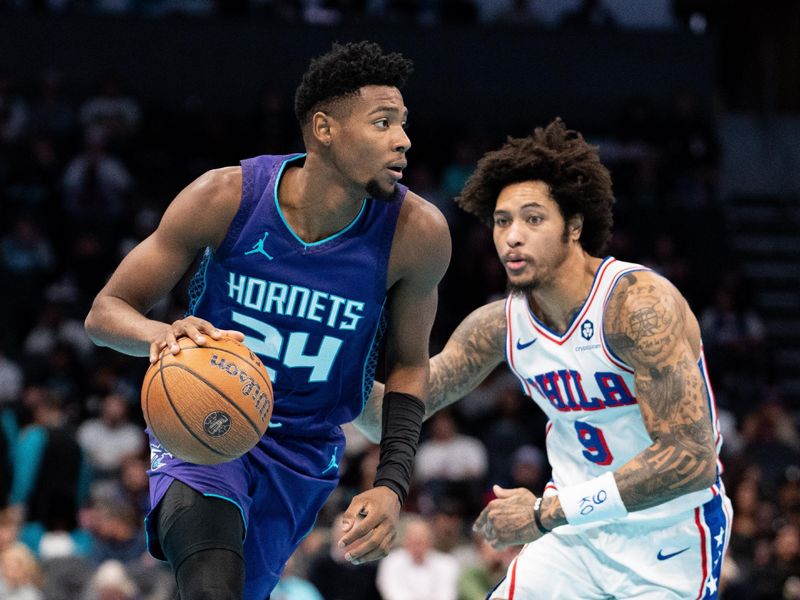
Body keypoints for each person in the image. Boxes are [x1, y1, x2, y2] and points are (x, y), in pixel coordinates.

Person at [84, 40, 450, 599]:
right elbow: (105, 313)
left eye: (403, 123)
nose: (403, 140)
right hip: (201, 420)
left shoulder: (417, 234)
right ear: (324, 128)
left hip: (302, 450)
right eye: (383, 123)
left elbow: (407, 365)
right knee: (210, 588)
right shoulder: (225, 197)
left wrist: (392, 485)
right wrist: (160, 332)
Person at [356, 118, 732, 599]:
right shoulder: (501, 324)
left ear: (574, 226)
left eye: (533, 219)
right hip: (576, 541)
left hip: (668, 541)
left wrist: (545, 513)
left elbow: (691, 458)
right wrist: (321, 369)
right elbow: (396, 414)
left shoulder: (638, 307)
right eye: (502, 220)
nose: (512, 236)